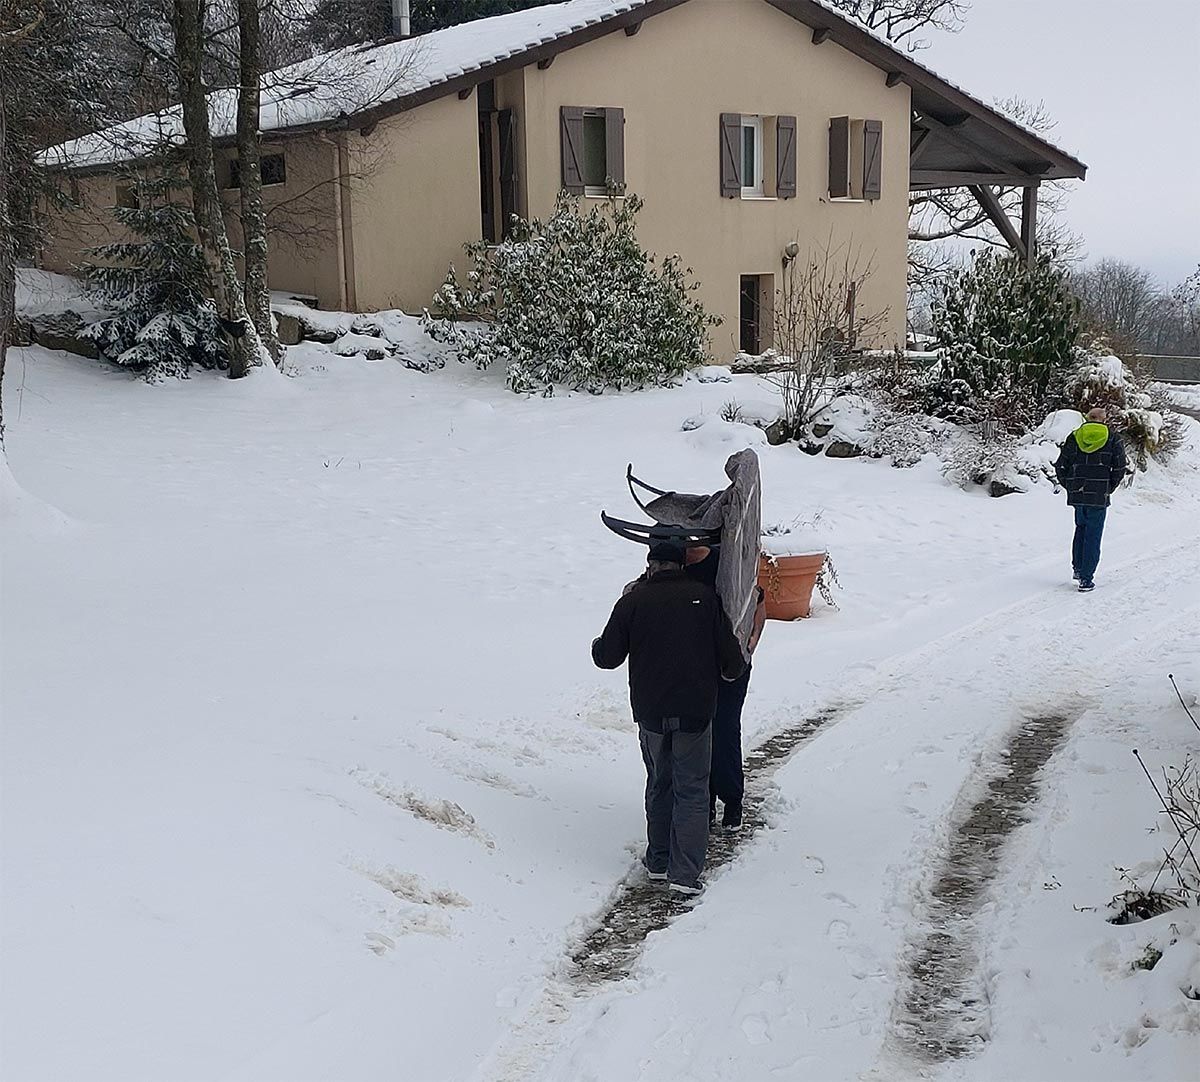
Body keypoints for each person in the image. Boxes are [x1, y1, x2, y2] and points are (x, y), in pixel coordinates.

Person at [592, 541, 747, 896]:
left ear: (650, 563)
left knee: (660, 783)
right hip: (695, 712)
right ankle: (685, 875)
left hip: (650, 712)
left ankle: (659, 862)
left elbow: (607, 657)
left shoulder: (632, 601)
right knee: (691, 790)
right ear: (682, 565)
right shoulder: (705, 599)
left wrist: (596, 645)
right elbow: (732, 663)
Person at [682, 545, 766, 832]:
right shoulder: (675, 566)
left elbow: (756, 598)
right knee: (701, 730)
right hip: (696, 665)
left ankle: (731, 801)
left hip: (731, 663)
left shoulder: (725, 561)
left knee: (726, 728)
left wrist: (752, 640)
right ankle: (706, 802)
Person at [1053, 407, 1128, 592]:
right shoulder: (1113, 438)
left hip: (1078, 493)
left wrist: (1068, 485)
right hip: (1099, 493)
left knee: (1080, 529)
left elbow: (1061, 464)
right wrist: (1109, 487)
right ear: (1104, 419)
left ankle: (1078, 569)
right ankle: (1086, 578)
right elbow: (1119, 467)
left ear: (1087, 419)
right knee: (1093, 535)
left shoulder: (1075, 436)